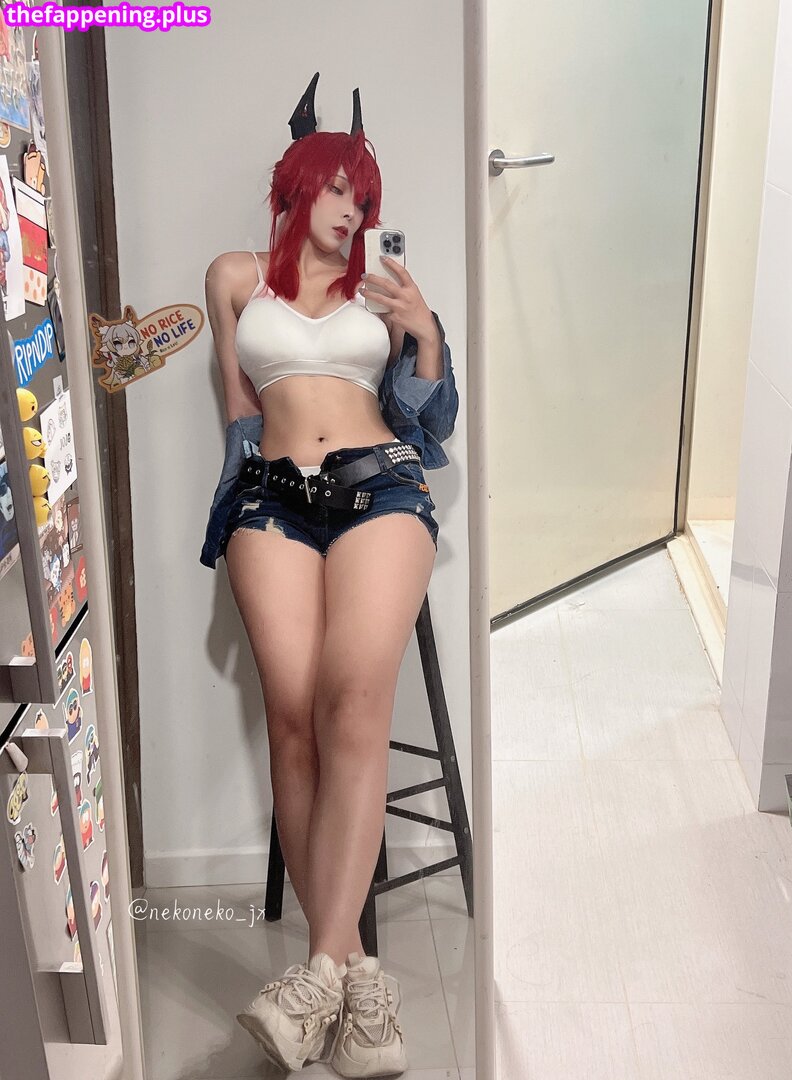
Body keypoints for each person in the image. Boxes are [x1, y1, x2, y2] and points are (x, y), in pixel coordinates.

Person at [200, 74, 458, 1077]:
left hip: (378, 487)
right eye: (339, 187)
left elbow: (428, 416)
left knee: (353, 698)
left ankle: (316, 974)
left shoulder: (379, 288)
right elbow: (237, 412)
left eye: (365, 195)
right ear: (300, 183)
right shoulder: (234, 278)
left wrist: (425, 333)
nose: (352, 210)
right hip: (271, 501)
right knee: (294, 716)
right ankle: (354, 986)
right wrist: (233, 500)